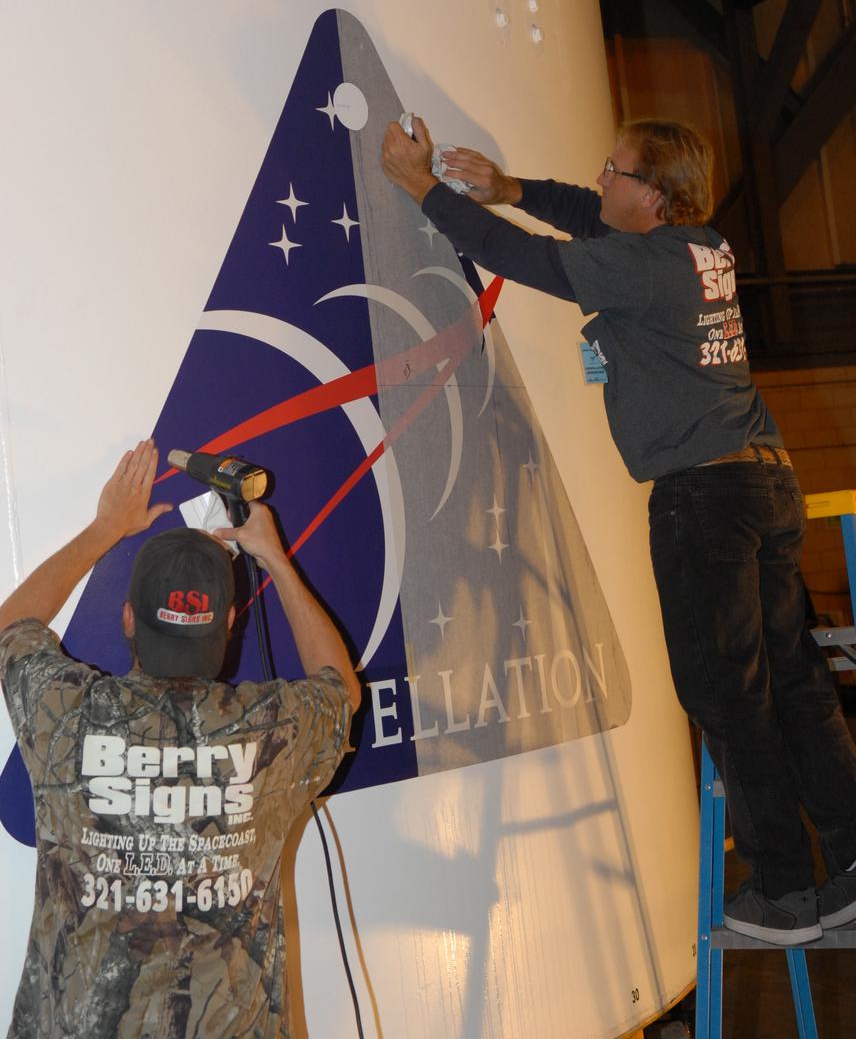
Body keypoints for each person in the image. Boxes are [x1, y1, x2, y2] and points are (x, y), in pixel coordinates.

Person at [382, 115, 856, 946]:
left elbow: (527, 259)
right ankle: (850, 867)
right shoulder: (702, 249)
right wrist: (515, 188)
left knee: (726, 693)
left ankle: (783, 891)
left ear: (655, 194)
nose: (599, 178)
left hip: (704, 496)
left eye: (614, 169)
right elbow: (587, 217)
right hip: (766, 482)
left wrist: (424, 188)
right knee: (794, 680)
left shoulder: (639, 268)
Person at [0, 439, 360, 1038]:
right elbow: (341, 692)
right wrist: (272, 556)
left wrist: (105, 529)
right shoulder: (268, 732)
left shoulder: (69, 715)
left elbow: (12, 628)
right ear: (227, 622)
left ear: (126, 619)